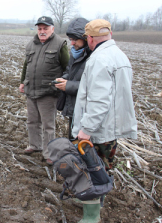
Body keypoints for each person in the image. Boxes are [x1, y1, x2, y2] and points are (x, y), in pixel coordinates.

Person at [72, 19, 138, 171]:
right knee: (104, 171)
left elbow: (99, 101)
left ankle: (92, 195)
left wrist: (86, 129)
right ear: (110, 34)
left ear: (90, 38)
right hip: (110, 130)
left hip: (97, 132)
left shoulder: (99, 59)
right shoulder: (120, 56)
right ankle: (101, 193)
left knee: (92, 173)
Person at [19, 16, 69, 165]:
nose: (42, 31)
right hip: (31, 89)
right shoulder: (31, 44)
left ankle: (49, 153)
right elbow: (26, 66)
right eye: (40, 28)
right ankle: (35, 145)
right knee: (32, 121)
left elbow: (67, 67)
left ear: (52, 29)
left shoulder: (60, 44)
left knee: (48, 125)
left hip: (48, 92)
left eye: (45, 28)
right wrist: (22, 82)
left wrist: (63, 83)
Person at [54, 18, 91, 140]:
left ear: (85, 38)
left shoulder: (94, 57)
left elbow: (93, 87)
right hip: (74, 107)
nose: (72, 43)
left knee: (84, 146)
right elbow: (69, 72)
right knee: (73, 141)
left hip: (87, 112)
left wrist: (68, 85)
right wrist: (63, 80)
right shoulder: (75, 53)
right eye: (71, 39)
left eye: (75, 39)